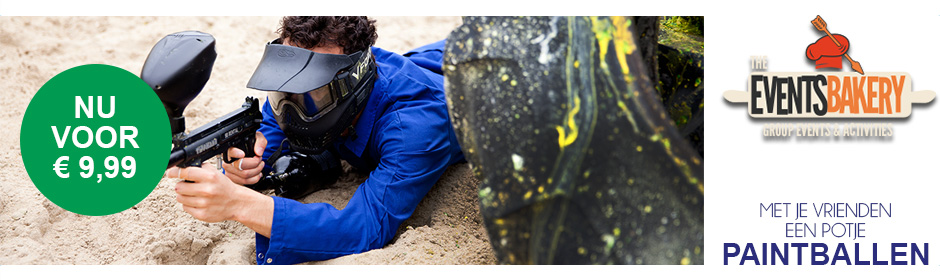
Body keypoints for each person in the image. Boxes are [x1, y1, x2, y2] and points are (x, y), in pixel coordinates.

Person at [164, 16, 464, 265]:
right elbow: (266, 137)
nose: (292, 104)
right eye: (286, 87)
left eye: (312, 91)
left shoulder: (414, 126)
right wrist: (244, 167)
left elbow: (366, 226)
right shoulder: (309, 86)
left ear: (352, 81)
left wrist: (241, 205)